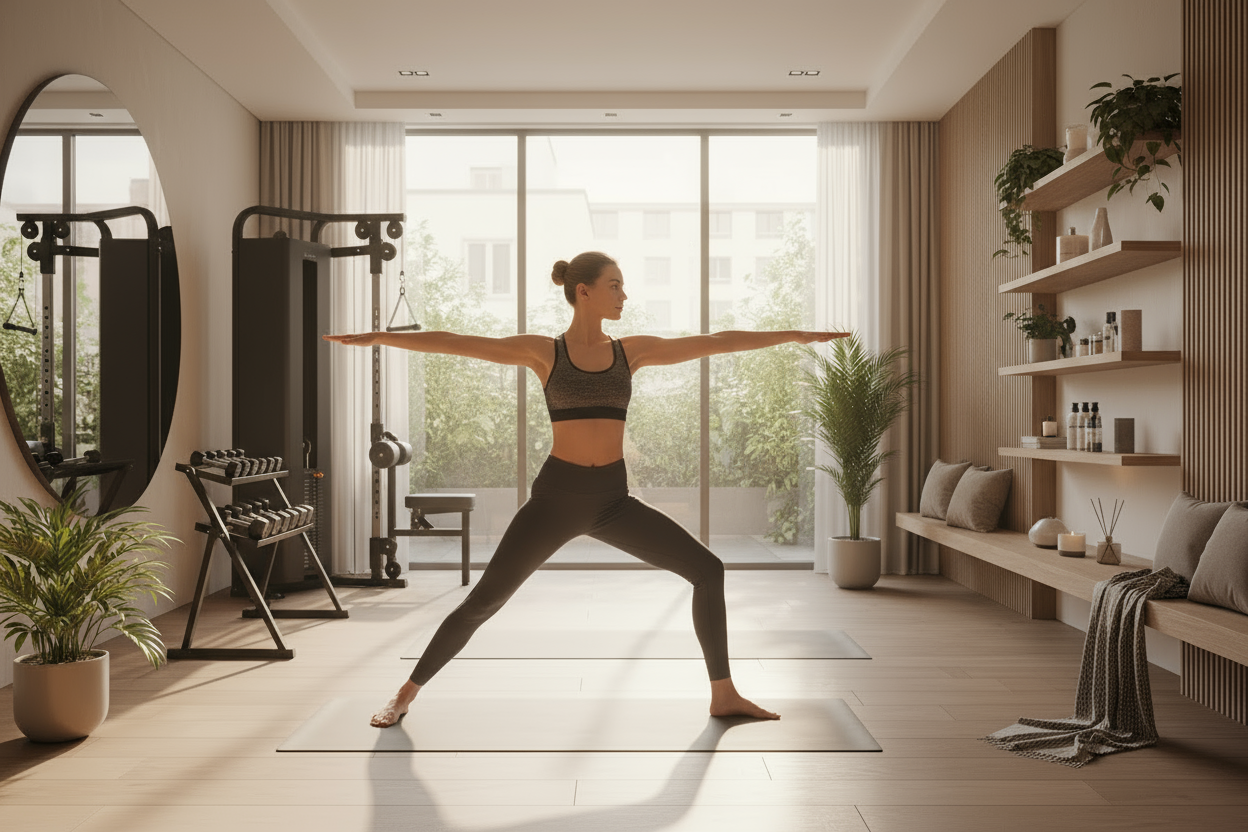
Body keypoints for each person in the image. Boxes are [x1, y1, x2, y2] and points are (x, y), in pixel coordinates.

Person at [324, 251, 849, 728]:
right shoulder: (544, 352)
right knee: (484, 601)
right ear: (585, 292)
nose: (625, 295)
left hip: (612, 502)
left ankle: (724, 693)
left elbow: (716, 342)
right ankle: (404, 693)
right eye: (616, 285)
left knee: (708, 570)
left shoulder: (631, 353)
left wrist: (795, 336)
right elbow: (459, 343)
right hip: (556, 499)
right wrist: (380, 337)